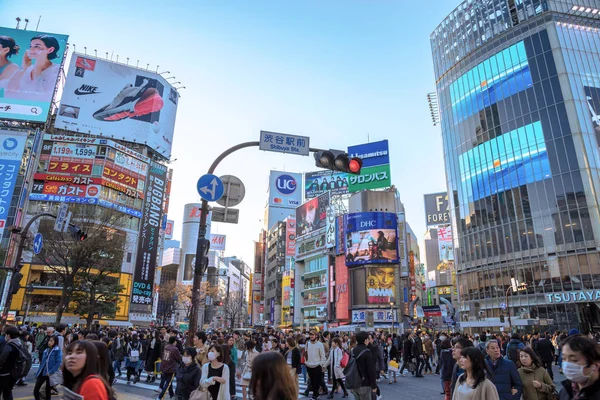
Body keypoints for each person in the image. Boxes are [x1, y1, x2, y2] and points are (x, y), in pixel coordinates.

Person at [7, 35, 61, 100]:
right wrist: (24, 68)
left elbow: (41, 96)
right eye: (30, 46)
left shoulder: (56, 70)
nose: (31, 49)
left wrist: (38, 67)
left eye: (36, 46)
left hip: (36, 109)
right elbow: (8, 91)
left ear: (50, 50)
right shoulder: (28, 68)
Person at [558, 334, 600, 399]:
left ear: (595, 365)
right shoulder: (565, 391)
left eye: (574, 360)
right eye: (563, 359)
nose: (567, 365)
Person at [349, 331, 378, 400]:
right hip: (364, 383)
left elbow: (350, 367)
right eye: (368, 339)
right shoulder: (367, 352)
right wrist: (374, 386)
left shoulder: (352, 350)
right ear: (365, 340)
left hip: (354, 383)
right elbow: (371, 370)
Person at [0, 325, 24, 400]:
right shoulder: (20, 344)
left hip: (5, 373)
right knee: (7, 392)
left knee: (5, 391)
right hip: (15, 373)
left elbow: (1, 360)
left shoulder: (9, 346)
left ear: (8, 335)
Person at [33, 334, 61, 400]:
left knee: (47, 391)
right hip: (43, 372)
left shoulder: (57, 350)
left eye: (51, 341)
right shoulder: (46, 350)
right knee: (36, 390)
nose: (49, 342)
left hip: (50, 373)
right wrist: (38, 373)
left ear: (55, 342)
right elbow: (42, 363)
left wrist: (51, 371)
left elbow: (58, 362)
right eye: (49, 341)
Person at [303, 330, 327, 400]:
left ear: (316, 336)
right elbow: (305, 353)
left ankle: (315, 396)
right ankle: (316, 394)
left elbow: (323, 355)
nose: (311, 336)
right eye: (310, 335)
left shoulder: (320, 344)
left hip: (317, 365)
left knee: (317, 382)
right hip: (309, 365)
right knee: (312, 382)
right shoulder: (307, 343)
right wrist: (306, 362)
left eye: (312, 335)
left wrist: (321, 364)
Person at [158, 335, 181, 400]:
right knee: (168, 383)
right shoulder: (175, 349)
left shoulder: (166, 347)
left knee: (168, 382)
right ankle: (160, 397)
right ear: (174, 341)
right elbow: (178, 358)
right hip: (171, 368)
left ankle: (171, 395)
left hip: (164, 366)